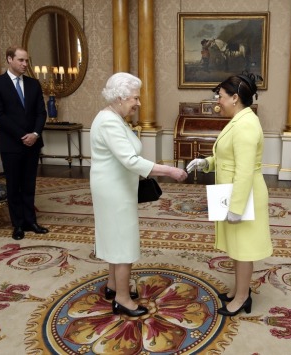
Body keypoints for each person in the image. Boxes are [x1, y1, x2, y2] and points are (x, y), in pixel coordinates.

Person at [90, 72, 188, 317]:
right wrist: (170, 170)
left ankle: (114, 287)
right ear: (121, 97)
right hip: (113, 190)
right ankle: (122, 300)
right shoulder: (110, 121)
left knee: (115, 237)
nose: (138, 103)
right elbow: (130, 160)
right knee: (123, 241)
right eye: (135, 98)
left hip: (115, 186)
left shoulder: (114, 117)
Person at [186, 73, 273, 316]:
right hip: (234, 192)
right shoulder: (239, 120)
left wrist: (236, 207)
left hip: (244, 195)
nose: (217, 100)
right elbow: (228, 159)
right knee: (237, 247)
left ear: (235, 98)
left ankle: (243, 298)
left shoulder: (245, 125)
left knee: (243, 249)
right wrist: (205, 164)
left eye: (221, 96)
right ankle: (239, 290)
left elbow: (244, 171)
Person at [0, 46, 49, 240]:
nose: (25, 64)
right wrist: (23, 135)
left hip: (33, 143)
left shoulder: (33, 84)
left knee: (29, 184)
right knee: (14, 185)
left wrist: (35, 134)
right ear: (9, 59)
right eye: (21, 60)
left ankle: (31, 221)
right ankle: (18, 225)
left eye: (26, 61)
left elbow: (41, 112)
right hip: (12, 144)